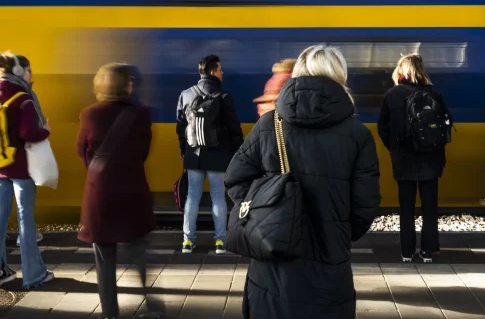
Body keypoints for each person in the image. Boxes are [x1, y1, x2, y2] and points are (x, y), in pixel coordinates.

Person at [225, 45, 381, 318]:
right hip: (330, 266)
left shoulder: (269, 125)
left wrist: (263, 214)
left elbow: (235, 177)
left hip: (273, 265)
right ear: (340, 76)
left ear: (297, 73)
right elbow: (365, 205)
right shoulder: (358, 135)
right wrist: (338, 231)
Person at [77, 63, 163, 319]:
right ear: (126, 85)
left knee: (104, 260)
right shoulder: (141, 114)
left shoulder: (89, 114)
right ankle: (150, 304)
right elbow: (144, 151)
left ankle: (110, 314)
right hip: (132, 192)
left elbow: (82, 152)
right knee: (139, 252)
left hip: (100, 195)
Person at [377, 53, 452, 264]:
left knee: (406, 207)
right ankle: (428, 251)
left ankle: (407, 252)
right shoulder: (435, 95)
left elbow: (383, 127)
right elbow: (447, 125)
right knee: (430, 208)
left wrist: (394, 147)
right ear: (421, 71)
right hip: (431, 159)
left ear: (401, 71)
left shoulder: (392, 95)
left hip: (403, 160)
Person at [176, 55, 243, 254]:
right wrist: (239, 152)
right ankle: (220, 242)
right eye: (221, 69)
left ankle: (188, 241)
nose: (223, 73)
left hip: (194, 155)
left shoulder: (186, 95)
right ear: (213, 72)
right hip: (218, 156)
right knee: (218, 199)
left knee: (192, 198)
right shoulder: (223, 97)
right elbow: (234, 129)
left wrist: (183, 150)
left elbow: (180, 127)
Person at [0, 51, 54, 288]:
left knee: (0, 221)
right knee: (25, 222)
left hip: (0, 167)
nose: (32, 75)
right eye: (30, 70)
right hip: (22, 168)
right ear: (20, 72)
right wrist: (46, 130)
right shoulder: (23, 98)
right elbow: (29, 133)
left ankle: (1, 271)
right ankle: (33, 275)